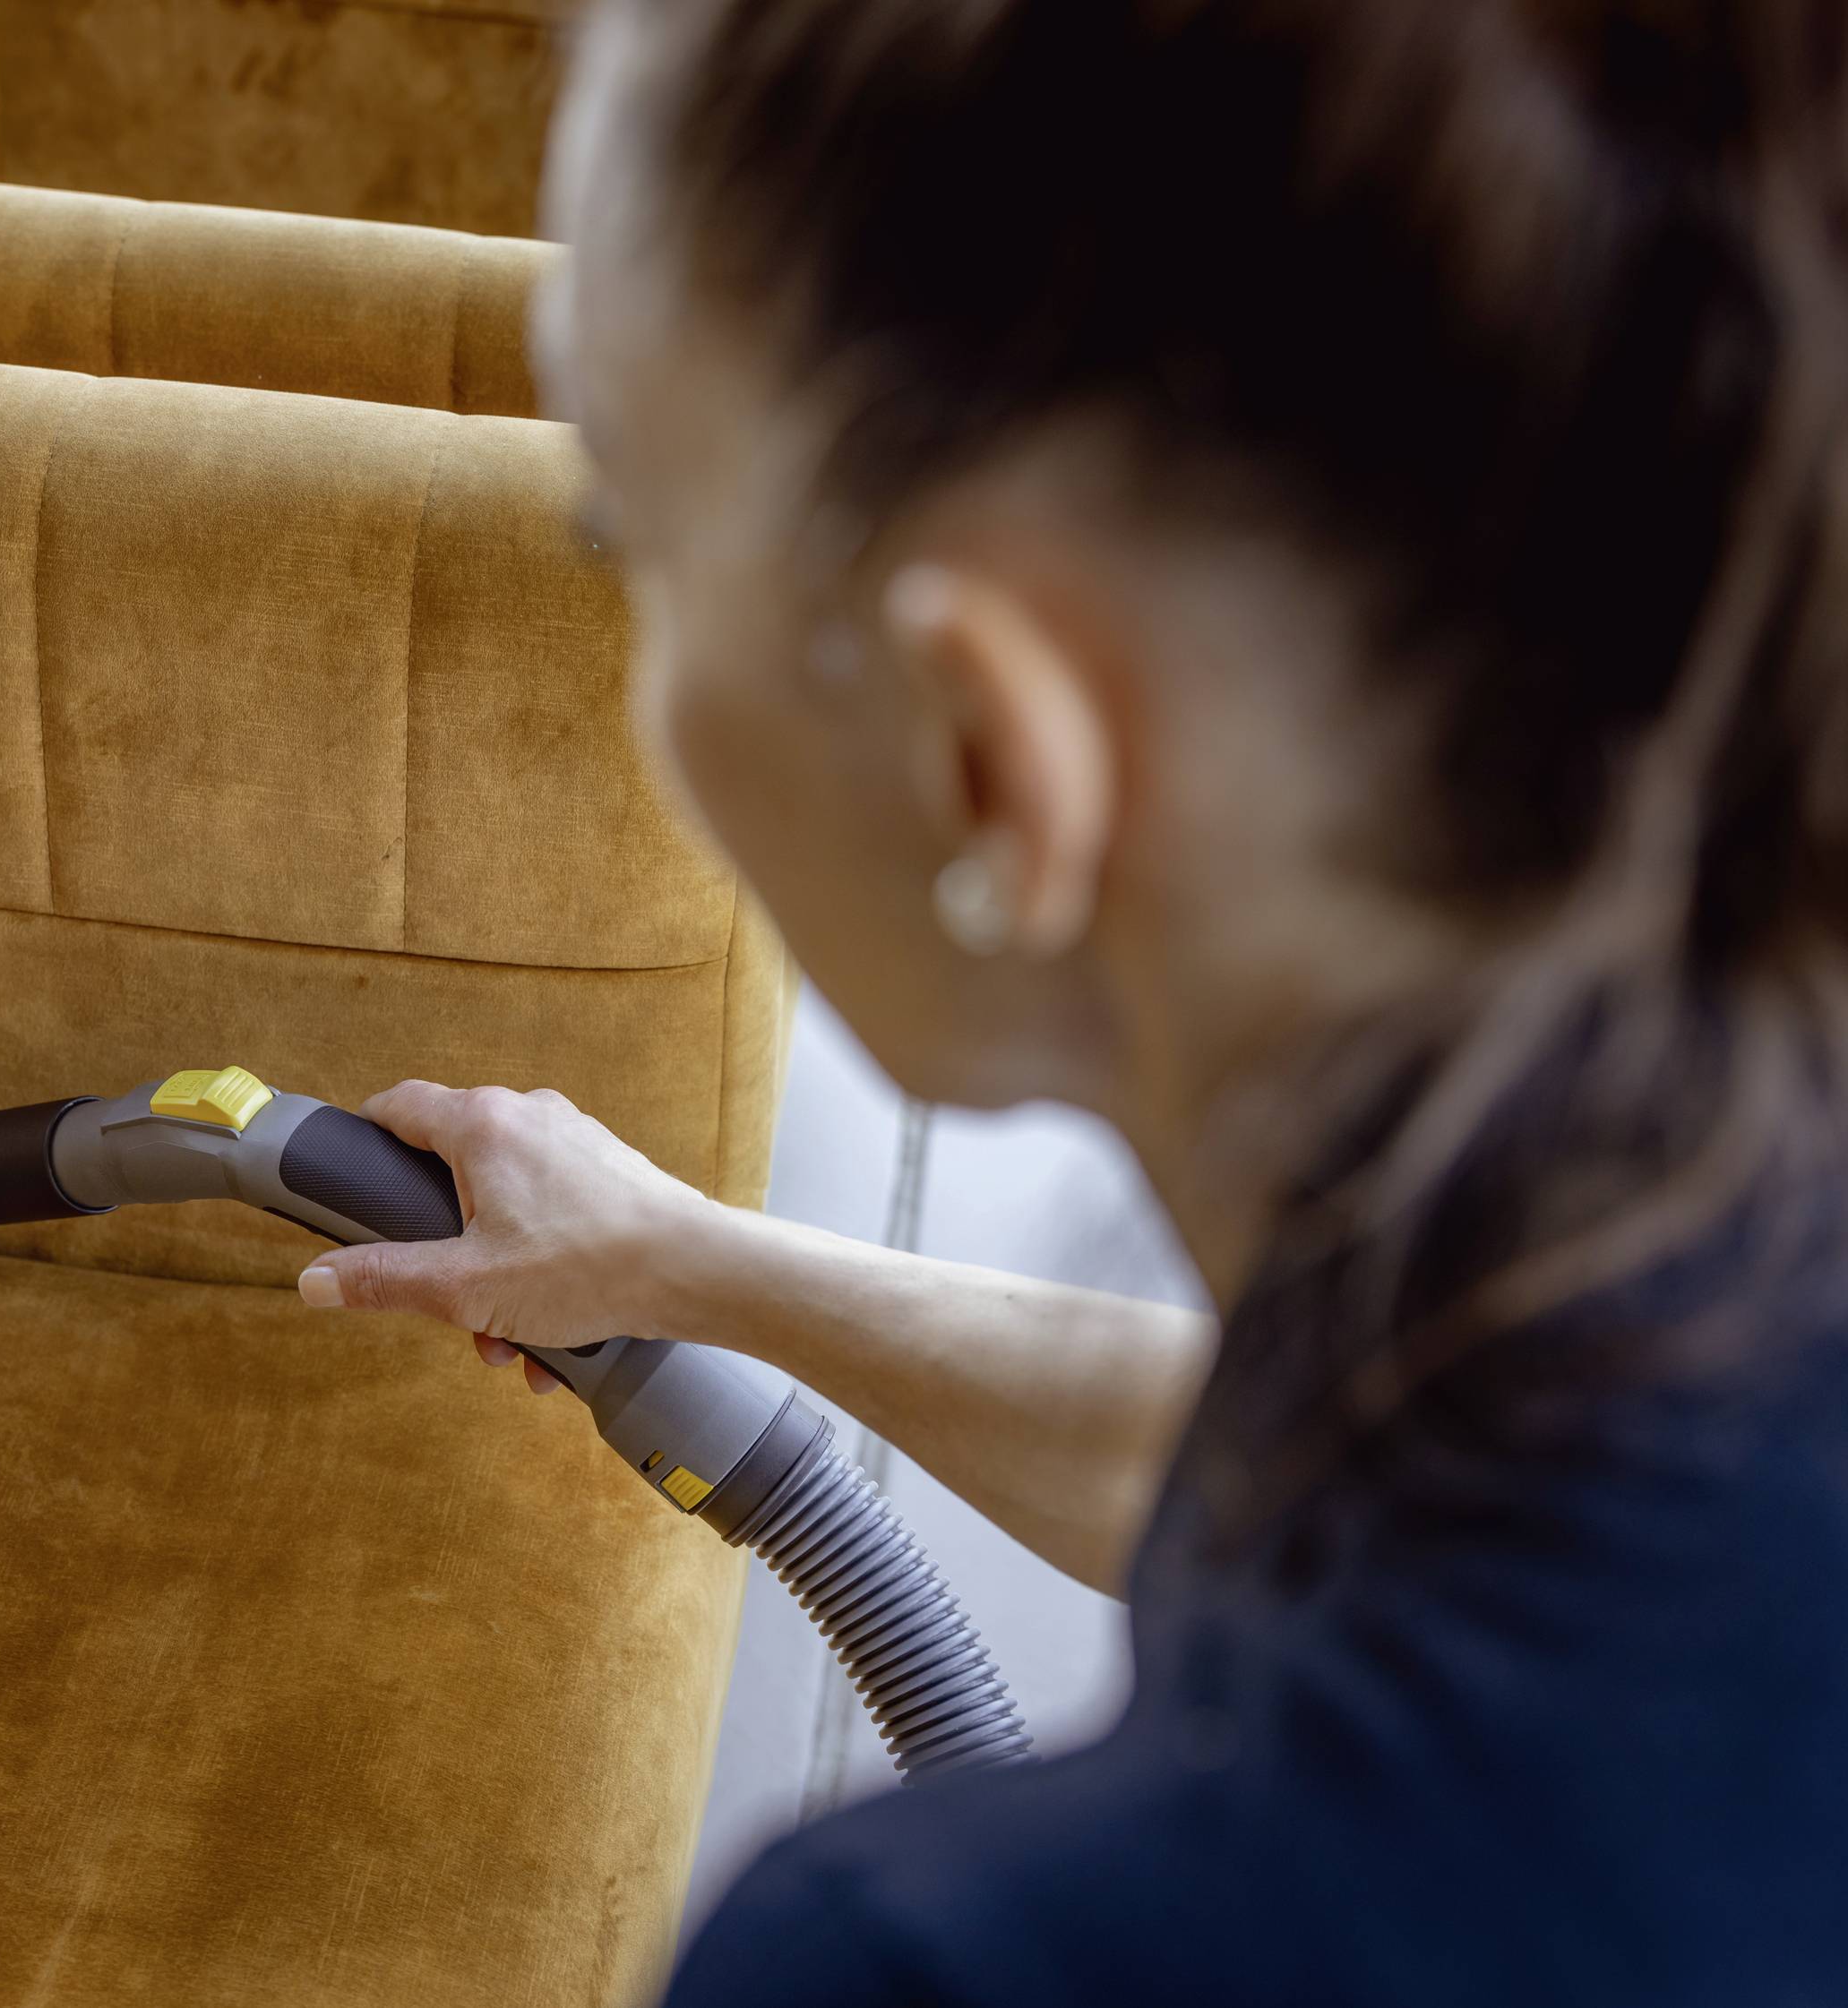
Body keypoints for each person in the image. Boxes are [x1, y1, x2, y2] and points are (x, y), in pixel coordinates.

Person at [290, 0, 1848, 1999]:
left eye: (637, 540)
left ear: (983, 752)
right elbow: (1364, 1478)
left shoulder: (943, 1960)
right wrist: (683, 1262)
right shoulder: (1671, 1262)